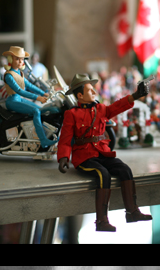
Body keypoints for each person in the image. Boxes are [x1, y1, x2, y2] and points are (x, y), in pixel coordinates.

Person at [58, 74, 152, 232]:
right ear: (80, 95)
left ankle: (132, 212)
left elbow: (116, 107)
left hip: (102, 152)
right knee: (103, 174)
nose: (94, 92)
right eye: (89, 90)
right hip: (84, 157)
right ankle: (101, 221)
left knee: (125, 169)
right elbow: (65, 138)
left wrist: (136, 95)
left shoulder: (100, 109)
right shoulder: (72, 114)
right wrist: (63, 157)